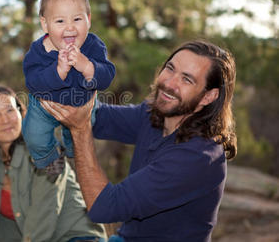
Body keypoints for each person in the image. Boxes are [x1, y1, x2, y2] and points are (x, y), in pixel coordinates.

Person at [41, 40, 237, 241]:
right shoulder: (155, 116)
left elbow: (104, 207)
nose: (169, 83)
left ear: (208, 96)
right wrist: (71, 75)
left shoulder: (198, 157)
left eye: (187, 79)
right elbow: (99, 117)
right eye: (170, 68)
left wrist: (80, 129)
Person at [0, 83, 107, 242]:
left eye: (10, 110)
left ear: (20, 112)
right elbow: (6, 230)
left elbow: (43, 215)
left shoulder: (43, 150)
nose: (5, 120)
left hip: (77, 237)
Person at [23, 0, 116, 175]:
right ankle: (49, 158)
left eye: (77, 19)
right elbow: (32, 82)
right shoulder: (38, 51)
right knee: (33, 135)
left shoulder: (93, 46)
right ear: (45, 24)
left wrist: (87, 66)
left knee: (82, 133)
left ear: (88, 20)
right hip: (44, 105)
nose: (70, 28)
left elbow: (106, 76)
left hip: (80, 103)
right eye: (60, 21)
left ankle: (73, 152)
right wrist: (58, 72)